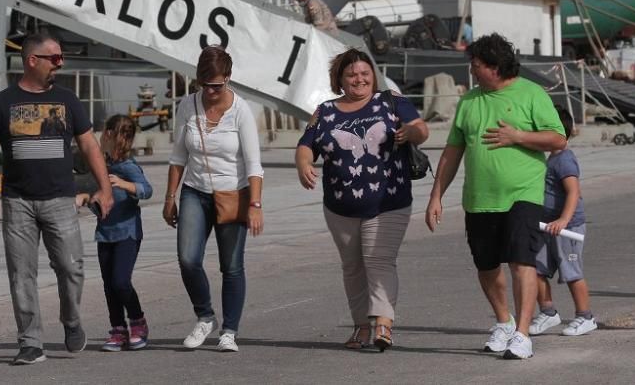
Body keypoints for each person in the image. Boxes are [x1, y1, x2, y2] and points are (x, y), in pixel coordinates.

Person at [0, 33, 115, 366]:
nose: (60, 63)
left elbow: (89, 145)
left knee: (71, 268)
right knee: (21, 273)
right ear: (32, 60)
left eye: (61, 58)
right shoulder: (2, 102)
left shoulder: (68, 100)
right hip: (17, 201)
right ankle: (30, 342)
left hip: (60, 200)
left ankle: (71, 320)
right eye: (54, 58)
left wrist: (105, 187)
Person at [424, 33, 566, 360]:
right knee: (486, 265)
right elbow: (452, 152)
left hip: (523, 194)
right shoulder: (469, 101)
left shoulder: (531, 94)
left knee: (521, 261)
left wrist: (518, 136)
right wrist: (435, 196)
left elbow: (558, 139)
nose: (472, 70)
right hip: (479, 198)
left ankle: (523, 334)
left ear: (495, 66)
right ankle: (504, 322)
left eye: (476, 65)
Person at [295, 49, 429, 352]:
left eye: (364, 72)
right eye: (352, 74)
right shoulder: (325, 110)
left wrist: (410, 131)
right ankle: (361, 326)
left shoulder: (391, 101)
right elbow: (306, 144)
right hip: (339, 206)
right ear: (340, 79)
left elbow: (422, 129)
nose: (359, 78)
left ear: (373, 75)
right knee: (352, 266)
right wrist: (303, 163)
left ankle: (383, 322)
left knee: (378, 259)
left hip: (388, 201)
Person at [163, 46, 264, 352]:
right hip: (195, 191)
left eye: (217, 85)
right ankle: (205, 315)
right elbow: (178, 155)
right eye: (204, 84)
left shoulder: (241, 110)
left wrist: (255, 204)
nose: (210, 91)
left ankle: (229, 331)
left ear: (228, 79)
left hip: (233, 192)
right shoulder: (188, 105)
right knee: (187, 258)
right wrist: (170, 196)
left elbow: (253, 163)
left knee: (231, 265)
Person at [76, 114, 154, 352]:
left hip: (128, 233)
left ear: (109, 134)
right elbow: (97, 199)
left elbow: (147, 190)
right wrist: (85, 198)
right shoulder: (101, 167)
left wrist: (124, 184)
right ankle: (118, 330)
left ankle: (138, 321)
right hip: (105, 233)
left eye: (103, 132)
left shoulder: (128, 167)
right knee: (109, 284)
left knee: (121, 281)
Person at [529, 106, 597, 338]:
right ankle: (548, 312)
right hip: (547, 226)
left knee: (571, 272)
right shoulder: (551, 158)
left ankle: (585, 316)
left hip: (567, 228)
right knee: (536, 269)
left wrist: (563, 220)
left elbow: (573, 192)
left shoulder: (565, 160)